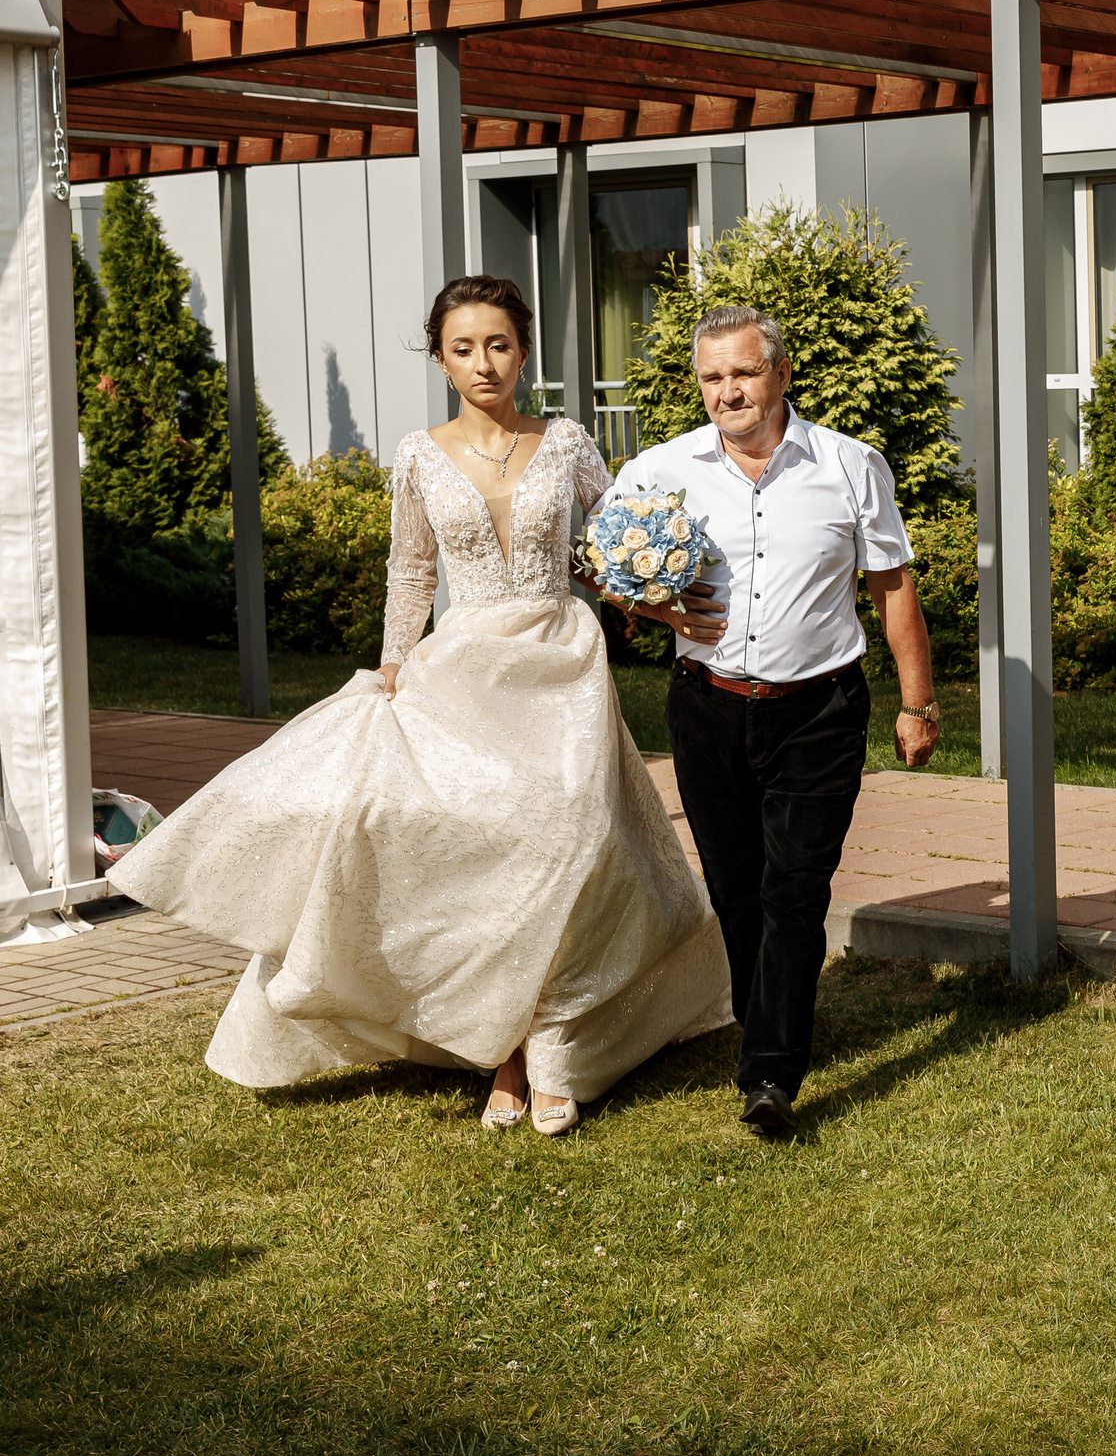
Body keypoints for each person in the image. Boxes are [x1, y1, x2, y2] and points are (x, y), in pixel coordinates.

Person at [110, 277, 732, 1137]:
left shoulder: (569, 442)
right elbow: (412, 570)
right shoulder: (418, 454)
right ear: (441, 360)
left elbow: (602, 551)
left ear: (524, 350)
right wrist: (395, 665)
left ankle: (556, 1044)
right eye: (464, 347)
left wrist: (658, 602)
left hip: (560, 664)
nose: (485, 362)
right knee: (473, 846)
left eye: (500, 344)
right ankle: (506, 1055)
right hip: (461, 669)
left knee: (571, 838)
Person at [604, 304, 938, 1140]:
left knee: (796, 889)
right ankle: (773, 1026)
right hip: (708, 709)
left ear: (781, 374)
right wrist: (655, 608)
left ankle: (770, 1074)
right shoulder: (660, 468)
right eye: (713, 377)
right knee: (735, 888)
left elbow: (893, 588)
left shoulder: (851, 466)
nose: (729, 391)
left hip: (820, 710)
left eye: (744, 373)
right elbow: (604, 566)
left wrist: (917, 701)